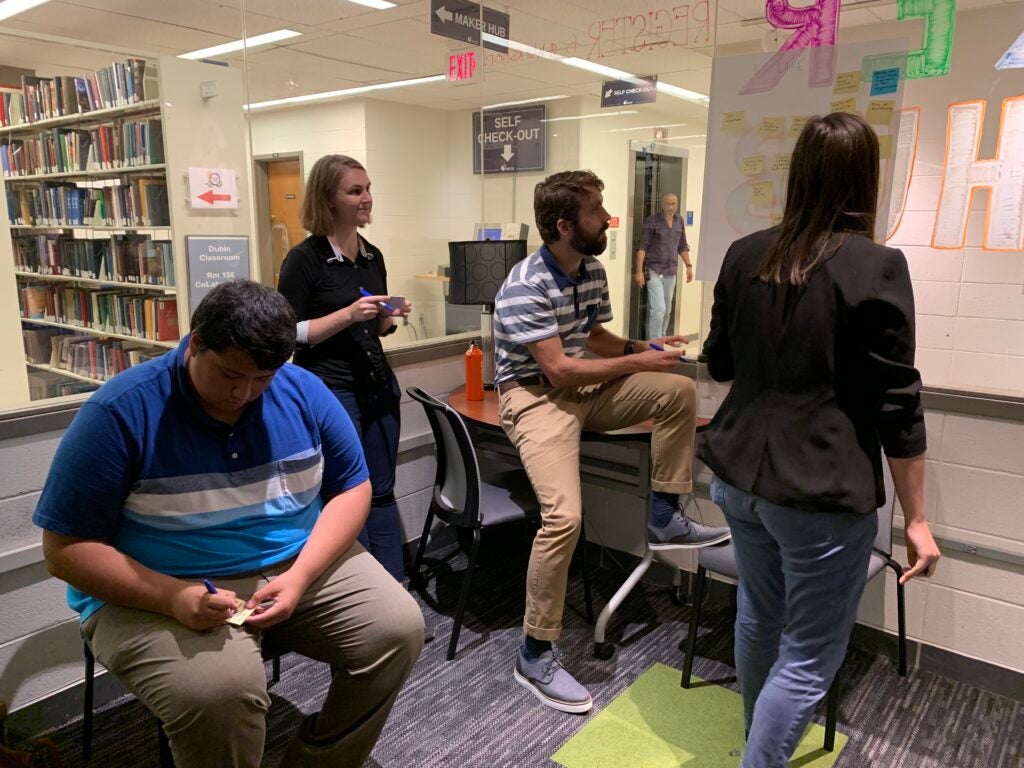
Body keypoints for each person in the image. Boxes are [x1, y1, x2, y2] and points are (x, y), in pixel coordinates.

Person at [33, 281, 424, 768]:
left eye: (262, 378)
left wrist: (299, 577)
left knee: (398, 630)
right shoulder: (120, 410)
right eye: (229, 374)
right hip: (159, 581)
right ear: (195, 343)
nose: (243, 393)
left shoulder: (301, 390)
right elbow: (64, 549)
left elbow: (353, 486)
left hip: (292, 560)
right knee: (219, 694)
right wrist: (171, 597)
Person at [699, 113, 941, 767]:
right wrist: (916, 517)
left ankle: (758, 749)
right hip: (818, 496)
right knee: (807, 656)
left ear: (799, 173)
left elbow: (718, 363)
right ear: (867, 178)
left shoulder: (746, 254)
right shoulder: (877, 266)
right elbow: (899, 405)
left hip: (739, 481)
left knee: (758, 617)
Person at [493, 169, 730, 714]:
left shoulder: (591, 270)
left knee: (675, 389)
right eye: (596, 210)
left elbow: (594, 337)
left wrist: (644, 347)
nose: (607, 218)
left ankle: (665, 513)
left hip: (582, 387)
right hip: (534, 396)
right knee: (565, 519)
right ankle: (533, 651)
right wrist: (636, 359)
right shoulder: (526, 284)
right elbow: (555, 371)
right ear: (562, 225)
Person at [278, 154, 411, 582]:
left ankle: (396, 595)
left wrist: (389, 314)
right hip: (331, 390)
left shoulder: (372, 256)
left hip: (377, 386)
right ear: (328, 199)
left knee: (383, 491)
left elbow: (380, 328)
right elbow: (289, 333)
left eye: (368, 188)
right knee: (350, 494)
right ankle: (365, 595)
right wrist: (349, 314)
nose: (367, 198)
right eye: (355, 191)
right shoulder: (305, 259)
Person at [634, 193, 692, 340]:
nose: (671, 207)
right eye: (668, 204)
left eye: (674, 204)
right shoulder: (652, 221)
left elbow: (682, 246)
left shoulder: (679, 221)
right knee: (659, 309)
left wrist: (688, 266)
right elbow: (642, 247)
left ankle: (663, 337)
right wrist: (639, 271)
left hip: (671, 271)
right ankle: (655, 342)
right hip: (653, 270)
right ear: (662, 204)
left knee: (667, 310)